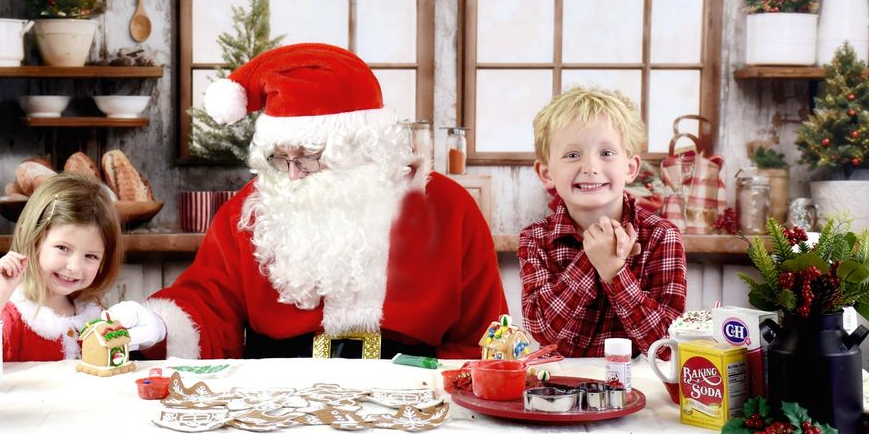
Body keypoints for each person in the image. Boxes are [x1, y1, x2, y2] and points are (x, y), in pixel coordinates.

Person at [108, 42, 509, 360]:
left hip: (411, 400)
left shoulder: (449, 208)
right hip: (276, 402)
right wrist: (159, 324)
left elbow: (483, 339)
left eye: (308, 158)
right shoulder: (253, 209)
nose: (293, 175)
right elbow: (209, 302)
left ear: (360, 148)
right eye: (280, 160)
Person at [518, 86, 685, 357]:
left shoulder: (661, 236)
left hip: (640, 384)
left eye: (606, 153)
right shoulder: (535, 238)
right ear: (547, 173)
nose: (591, 167)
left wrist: (614, 271)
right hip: (562, 385)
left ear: (630, 168)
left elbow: (667, 348)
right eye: (573, 155)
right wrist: (591, 259)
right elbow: (542, 329)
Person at [0, 172, 124, 361]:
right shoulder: (12, 315)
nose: (74, 267)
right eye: (63, 248)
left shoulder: (95, 316)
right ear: (33, 239)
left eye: (91, 256)